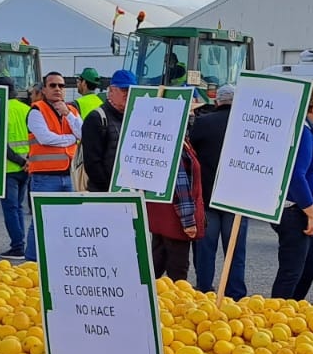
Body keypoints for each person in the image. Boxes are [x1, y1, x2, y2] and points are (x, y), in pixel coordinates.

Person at [272, 80, 313, 300]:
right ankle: (277, 310)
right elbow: (296, 175)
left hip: (308, 210)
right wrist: (311, 212)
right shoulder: (303, 133)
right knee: (292, 270)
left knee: (310, 267)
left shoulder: (312, 131)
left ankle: (293, 307)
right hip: (297, 211)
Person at [189, 83, 248, 297]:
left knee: (206, 249)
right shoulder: (246, 125)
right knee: (235, 250)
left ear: (217, 101)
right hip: (236, 198)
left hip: (208, 196)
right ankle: (235, 293)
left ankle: (205, 289)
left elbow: (191, 153)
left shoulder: (203, 123)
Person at [26, 69, 85, 259]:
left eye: (61, 85)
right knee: (41, 220)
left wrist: (68, 115)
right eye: (53, 85)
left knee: (67, 221)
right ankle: (32, 262)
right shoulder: (37, 111)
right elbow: (45, 138)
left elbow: (84, 134)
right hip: (45, 177)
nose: (58, 89)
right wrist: (71, 139)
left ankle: (60, 260)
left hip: (69, 175)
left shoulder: (72, 111)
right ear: (44, 89)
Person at [147, 140, 204, 281]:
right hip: (174, 220)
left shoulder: (162, 144)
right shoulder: (175, 145)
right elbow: (180, 183)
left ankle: (141, 291)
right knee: (177, 271)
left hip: (160, 217)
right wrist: (188, 220)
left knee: (156, 263)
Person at [81, 69, 133, 192]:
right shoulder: (96, 118)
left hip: (128, 192)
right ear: (111, 91)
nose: (128, 94)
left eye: (132, 90)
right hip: (104, 193)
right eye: (124, 90)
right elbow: (92, 163)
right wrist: (111, 189)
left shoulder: (133, 119)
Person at [0, 74, 30, 257]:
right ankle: (21, 244)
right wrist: (28, 161)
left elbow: (1, 144)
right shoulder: (27, 109)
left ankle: (17, 246)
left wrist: (20, 161)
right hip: (27, 168)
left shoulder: (0, 110)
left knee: (10, 209)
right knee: (18, 207)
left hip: (9, 168)